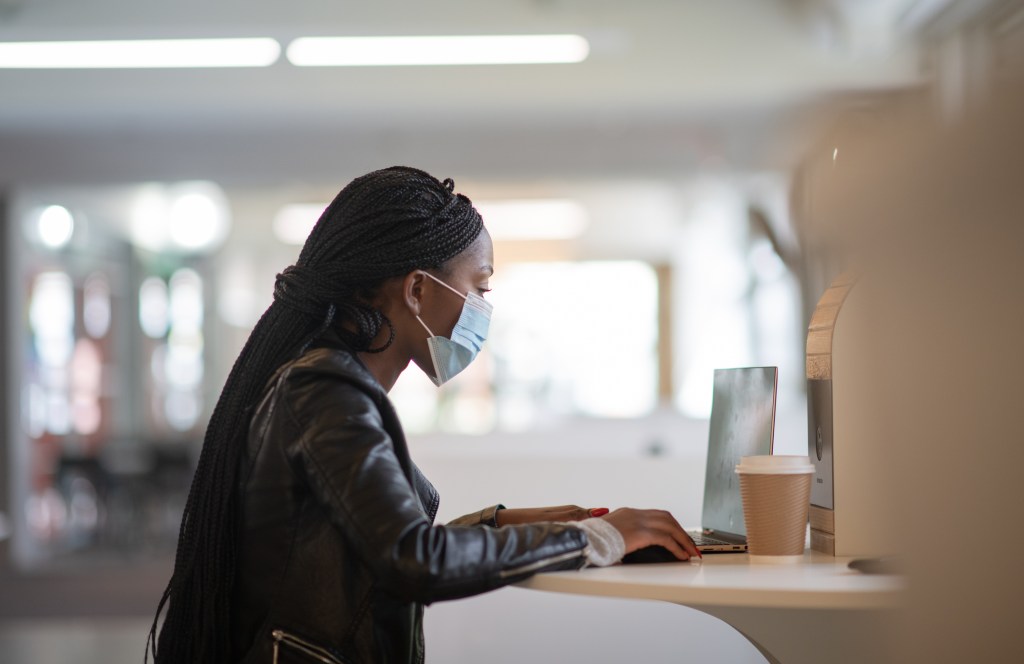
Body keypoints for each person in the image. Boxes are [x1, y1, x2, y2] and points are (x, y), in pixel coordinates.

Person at [147, 166, 698, 663]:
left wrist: (506, 524)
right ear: (416, 290)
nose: (483, 308)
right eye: (479, 287)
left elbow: (371, 551)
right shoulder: (325, 391)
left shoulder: (327, 383)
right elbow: (413, 560)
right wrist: (597, 539)